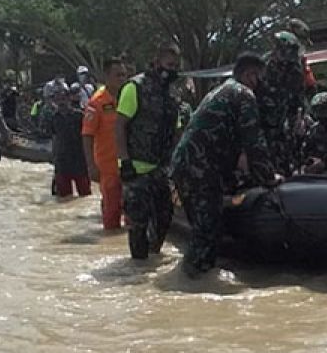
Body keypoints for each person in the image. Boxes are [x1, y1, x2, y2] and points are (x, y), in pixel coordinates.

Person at [172, 52, 279, 276]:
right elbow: (254, 143)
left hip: (189, 166)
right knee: (207, 232)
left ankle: (191, 278)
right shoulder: (243, 94)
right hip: (199, 169)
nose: (261, 83)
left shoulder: (223, 90)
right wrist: (269, 178)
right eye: (259, 77)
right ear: (250, 75)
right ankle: (193, 281)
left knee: (203, 228)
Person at [115, 44, 182, 260]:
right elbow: (119, 126)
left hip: (162, 168)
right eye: (169, 64)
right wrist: (124, 161)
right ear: (156, 61)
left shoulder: (171, 93)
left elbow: (177, 129)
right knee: (138, 223)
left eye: (176, 65)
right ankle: (138, 266)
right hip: (136, 167)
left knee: (165, 218)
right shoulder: (135, 87)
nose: (172, 69)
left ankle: (153, 256)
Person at [82, 58, 128, 229]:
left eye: (124, 75)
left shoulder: (129, 97)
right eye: (118, 75)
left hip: (129, 164)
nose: (122, 79)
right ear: (107, 76)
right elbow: (87, 135)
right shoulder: (96, 103)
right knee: (112, 214)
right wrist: (91, 166)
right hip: (107, 167)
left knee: (133, 213)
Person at [260, 29, 309, 174]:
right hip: (262, 122)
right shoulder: (263, 66)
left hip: (284, 123)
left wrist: (299, 119)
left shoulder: (295, 69)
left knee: (286, 161)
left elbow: (298, 98)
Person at [42, 85, 91, 197]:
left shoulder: (79, 116)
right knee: (64, 199)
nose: (61, 103)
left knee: (85, 195)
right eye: (58, 100)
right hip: (62, 162)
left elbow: (88, 137)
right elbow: (54, 139)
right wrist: (54, 162)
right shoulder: (53, 118)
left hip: (79, 160)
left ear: (69, 99)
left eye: (63, 99)